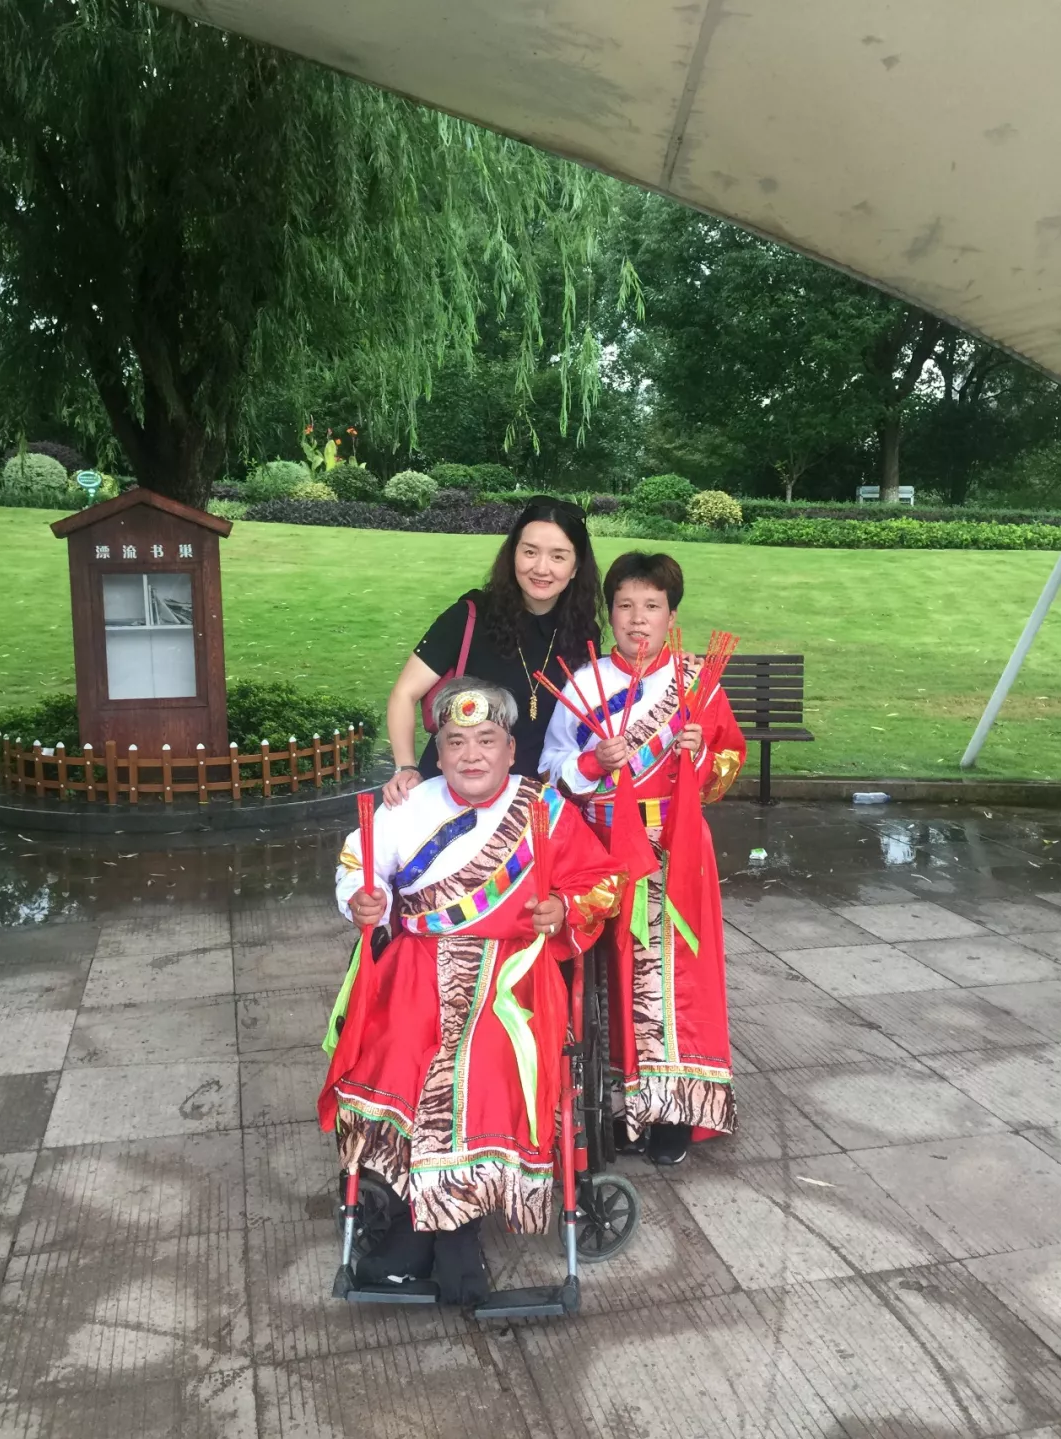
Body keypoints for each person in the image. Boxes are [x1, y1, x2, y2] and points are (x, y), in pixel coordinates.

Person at [319, 678, 623, 1304]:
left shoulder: (546, 809)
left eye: (487, 740)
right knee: (398, 1049)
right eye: (455, 742)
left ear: (511, 750)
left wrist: (565, 909)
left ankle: (428, 1242)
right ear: (438, 753)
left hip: (512, 979)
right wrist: (364, 900)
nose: (471, 754)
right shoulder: (408, 806)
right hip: (414, 968)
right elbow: (358, 866)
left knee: (482, 1061)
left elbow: (602, 883)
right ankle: (445, 1242)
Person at [539, 551, 745, 1166]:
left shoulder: (697, 682)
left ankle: (673, 1111)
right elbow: (550, 774)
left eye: (651, 606)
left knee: (673, 978)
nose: (637, 619)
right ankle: (616, 1108)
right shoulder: (584, 683)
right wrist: (590, 762)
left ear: (671, 617)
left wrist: (697, 752)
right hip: (600, 848)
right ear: (609, 613)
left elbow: (723, 772)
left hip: (675, 848)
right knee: (606, 979)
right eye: (625, 605)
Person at [381, 496, 603, 804]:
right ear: (513, 555)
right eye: (530, 552)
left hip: (536, 802)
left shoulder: (583, 634)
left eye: (558, 556)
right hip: (453, 795)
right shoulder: (468, 616)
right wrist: (406, 767)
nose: (541, 568)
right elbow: (404, 693)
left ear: (576, 567)